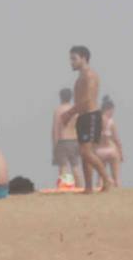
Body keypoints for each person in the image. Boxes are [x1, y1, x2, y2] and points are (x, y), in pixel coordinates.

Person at [66, 45, 112, 193]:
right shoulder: (80, 77)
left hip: (91, 116)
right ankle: (89, 187)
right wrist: (73, 115)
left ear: (84, 58)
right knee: (84, 153)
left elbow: (87, 100)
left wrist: (68, 113)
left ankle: (107, 178)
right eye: (71, 59)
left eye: (74, 59)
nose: (71, 62)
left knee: (86, 152)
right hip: (82, 117)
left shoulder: (90, 76)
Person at [51, 88, 81, 189]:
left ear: (60, 97)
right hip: (74, 140)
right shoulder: (75, 110)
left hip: (63, 141)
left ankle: (64, 188)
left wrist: (55, 146)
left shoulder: (58, 110)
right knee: (75, 166)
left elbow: (55, 129)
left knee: (63, 167)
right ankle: (80, 186)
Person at [95, 96, 124, 188]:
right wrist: (121, 152)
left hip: (99, 152)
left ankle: (100, 189)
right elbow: (116, 140)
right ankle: (117, 189)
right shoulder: (110, 122)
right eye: (112, 111)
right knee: (116, 176)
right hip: (110, 151)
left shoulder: (96, 121)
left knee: (100, 176)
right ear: (109, 109)